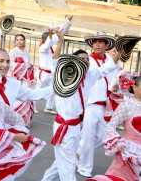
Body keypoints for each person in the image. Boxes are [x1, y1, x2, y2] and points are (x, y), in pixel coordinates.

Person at [42, 43, 120, 181]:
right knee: (70, 166)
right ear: (74, 63)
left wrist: (121, 51)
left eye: (87, 60)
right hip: (64, 126)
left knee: (63, 162)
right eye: (82, 59)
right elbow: (55, 62)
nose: (85, 62)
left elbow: (107, 68)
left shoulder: (90, 75)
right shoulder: (64, 76)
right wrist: (60, 41)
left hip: (77, 126)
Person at [77, 31, 119, 178]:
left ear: (106, 45)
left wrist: (116, 87)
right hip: (89, 104)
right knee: (87, 137)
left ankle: (80, 153)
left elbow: (115, 79)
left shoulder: (110, 59)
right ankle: (84, 166)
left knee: (104, 136)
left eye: (101, 42)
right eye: (95, 42)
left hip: (105, 105)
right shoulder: (88, 61)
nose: (97, 45)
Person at [87, 76, 141, 181]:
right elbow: (111, 126)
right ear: (134, 87)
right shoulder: (127, 106)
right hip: (128, 153)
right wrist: (117, 143)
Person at [7, 34, 35, 126]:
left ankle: (24, 119)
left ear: (24, 41)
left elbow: (28, 64)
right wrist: (22, 66)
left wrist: (29, 66)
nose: (20, 41)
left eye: (21, 40)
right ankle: (14, 119)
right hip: (15, 77)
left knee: (25, 96)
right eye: (17, 40)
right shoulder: (12, 52)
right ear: (15, 42)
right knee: (15, 97)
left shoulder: (27, 52)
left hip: (25, 78)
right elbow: (10, 64)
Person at [36, 30, 59, 114]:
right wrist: (50, 35)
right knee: (38, 90)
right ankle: (32, 106)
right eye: (50, 39)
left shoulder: (50, 48)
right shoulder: (43, 47)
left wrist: (64, 27)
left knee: (52, 90)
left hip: (51, 73)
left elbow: (56, 38)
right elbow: (47, 45)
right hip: (43, 73)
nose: (53, 41)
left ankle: (49, 107)